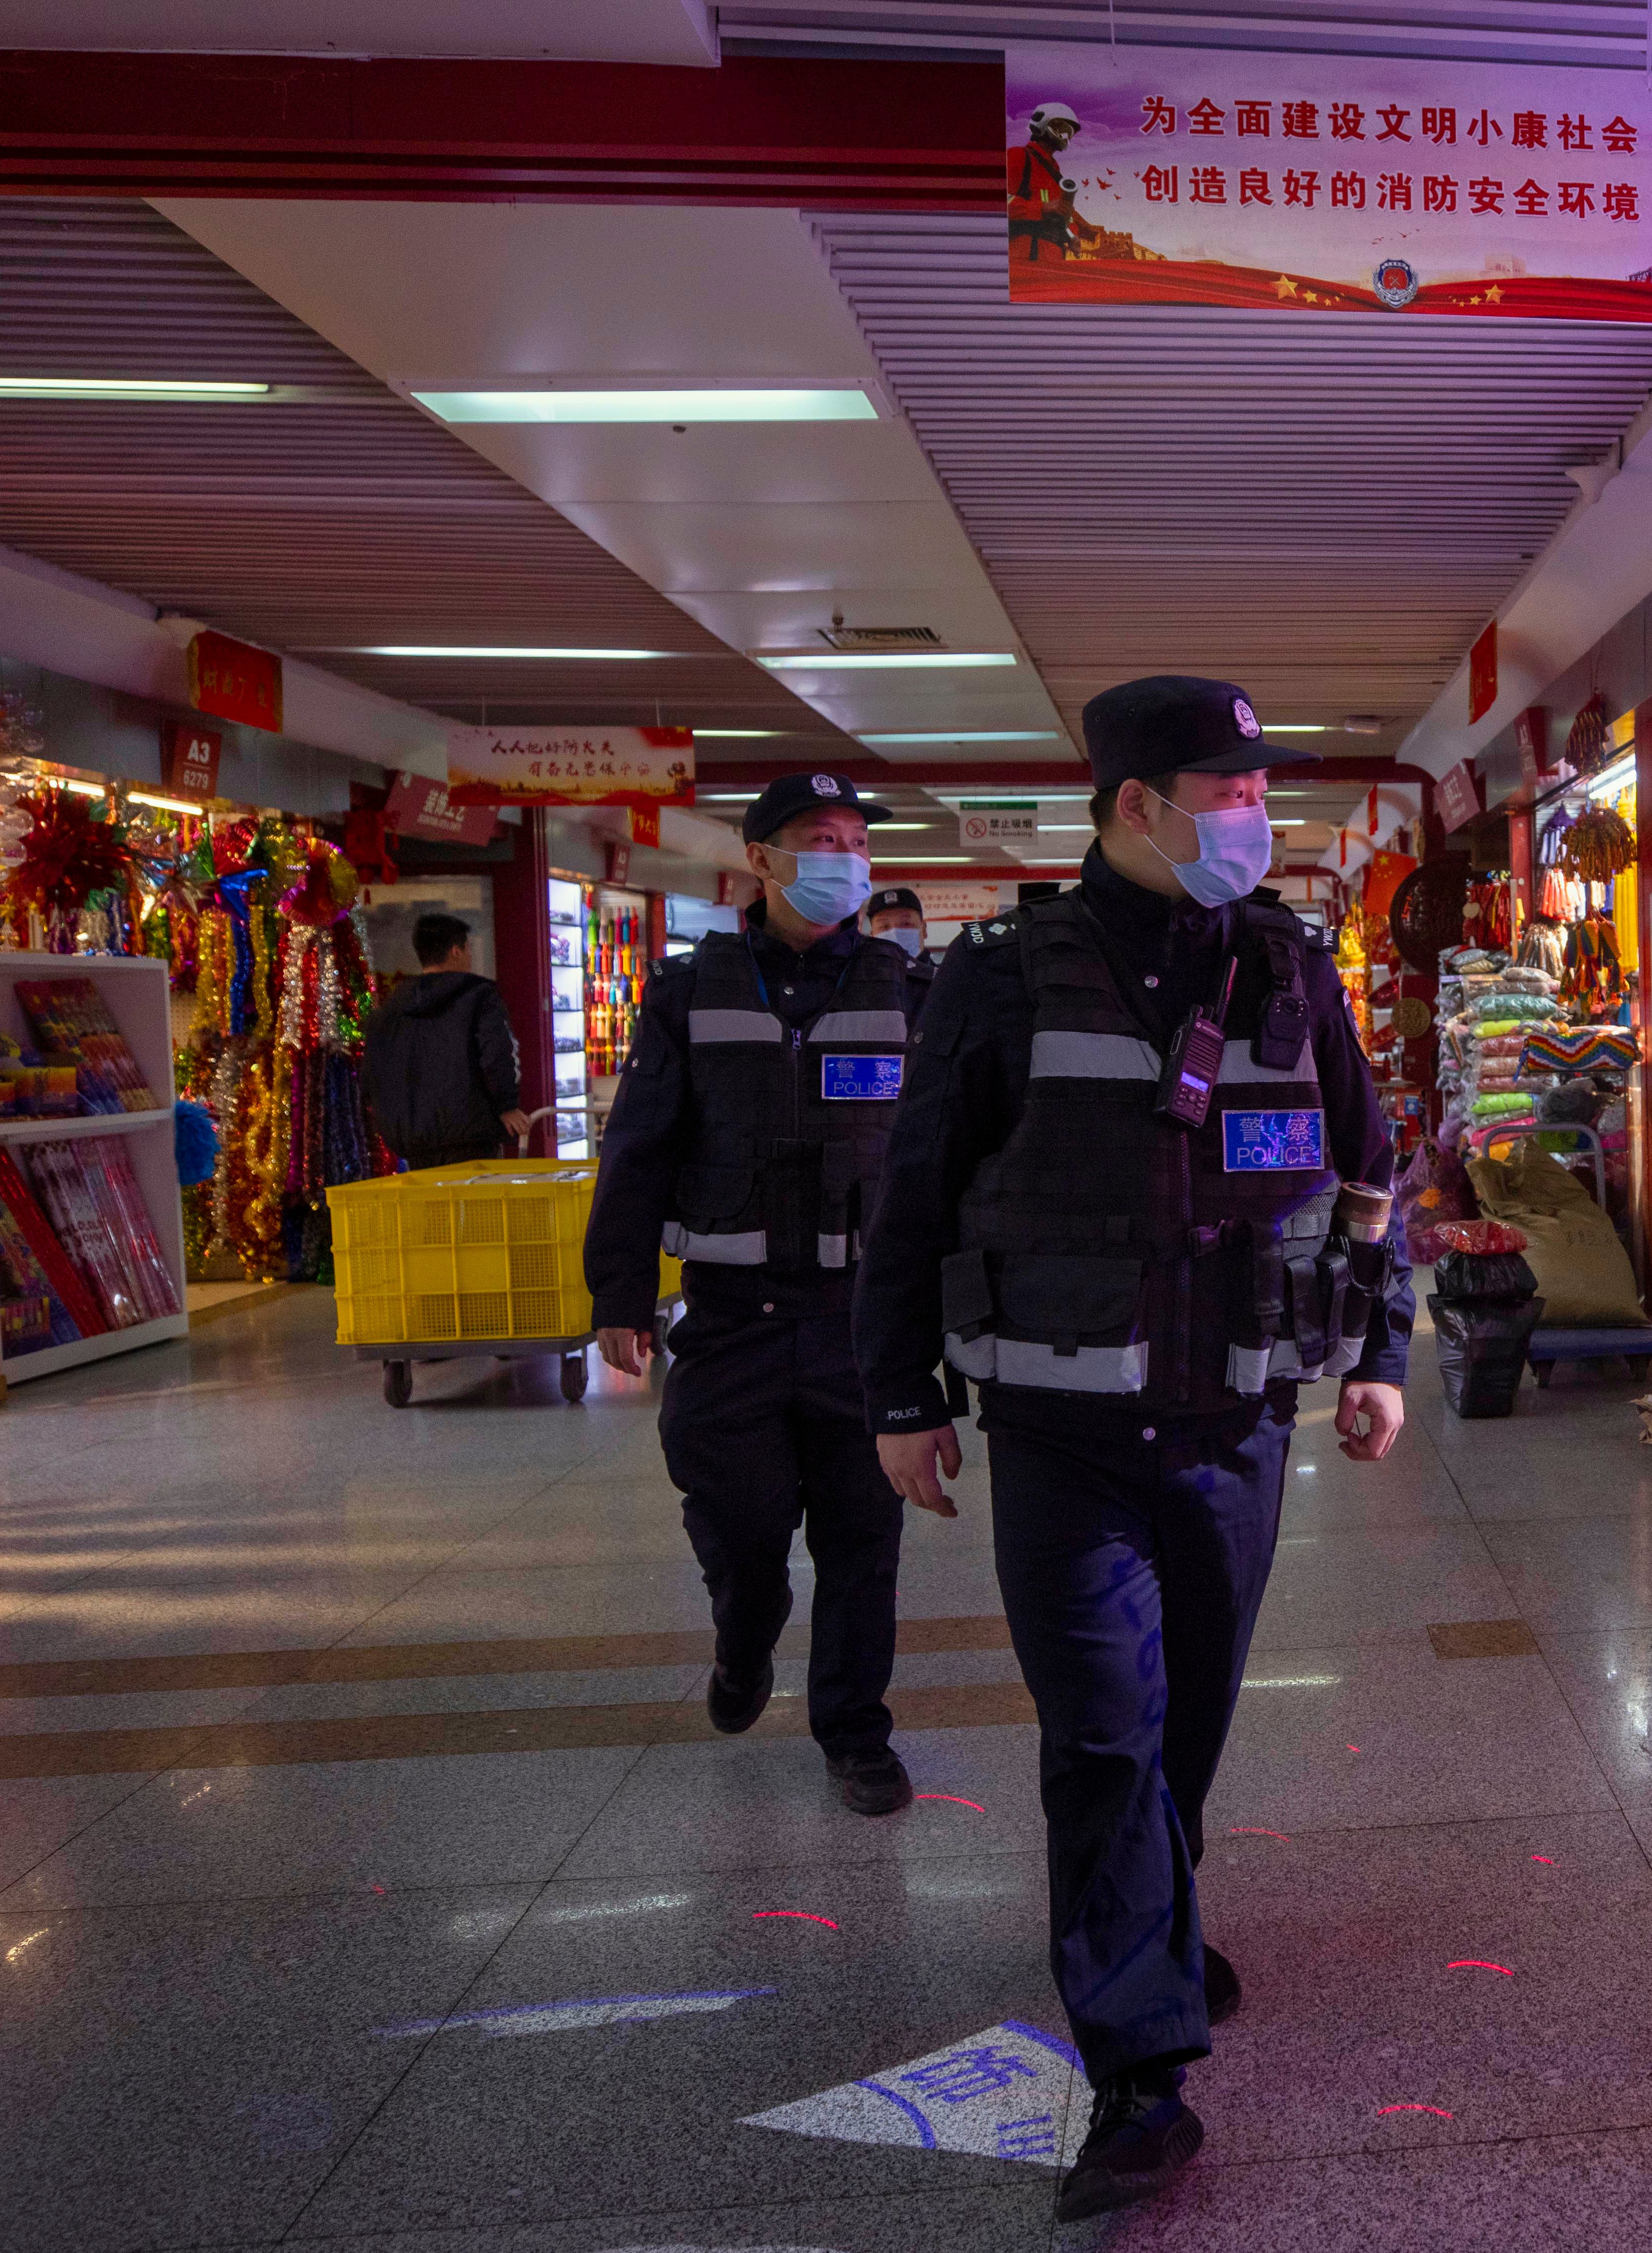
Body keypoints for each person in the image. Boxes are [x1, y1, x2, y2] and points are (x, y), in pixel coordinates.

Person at [858, 676, 1410, 2223]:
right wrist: (897, 1397)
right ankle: (1140, 2071)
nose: (1253, 819)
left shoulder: (1290, 967)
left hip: (1237, 1425)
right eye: (1224, 792)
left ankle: (1150, 1923)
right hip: (1065, 1432)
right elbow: (914, 1199)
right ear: (1132, 807)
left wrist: (1378, 1352)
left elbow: (1368, 1172)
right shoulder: (1000, 979)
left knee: (1187, 1728)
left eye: (1256, 793)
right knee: (1104, 1726)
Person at [582, 774, 922, 1817]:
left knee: (864, 1538)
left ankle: (855, 1733)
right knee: (739, 1524)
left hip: (857, 1319)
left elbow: (944, 1159)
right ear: (763, 857)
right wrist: (619, 1294)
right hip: (729, 1319)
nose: (845, 859)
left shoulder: (907, 990)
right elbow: (638, 1149)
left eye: (857, 841)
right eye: (822, 838)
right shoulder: (694, 989)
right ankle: (744, 1632)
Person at [360, 911, 525, 1172]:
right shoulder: (479, 998)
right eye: (468, 949)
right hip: (472, 1139)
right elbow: (497, 1054)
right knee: (478, 1209)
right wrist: (507, 1106)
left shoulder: (391, 1009)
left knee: (433, 1211)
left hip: (413, 1144)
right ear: (456, 952)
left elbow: (372, 1073)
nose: (470, 956)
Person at [1005, 102, 1094, 264]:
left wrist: (1072, 236)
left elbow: (1064, 215)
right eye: (1062, 129)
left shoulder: (1057, 176)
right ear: (1042, 124)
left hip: (1055, 261)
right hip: (1024, 257)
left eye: (1069, 132)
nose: (1066, 136)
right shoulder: (1019, 156)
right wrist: (1042, 207)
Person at [862, 886, 938, 1011]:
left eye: (906, 924)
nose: (895, 932)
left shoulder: (945, 979)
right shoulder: (859, 984)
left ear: (923, 930)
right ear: (872, 936)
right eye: (884, 926)